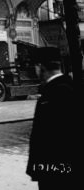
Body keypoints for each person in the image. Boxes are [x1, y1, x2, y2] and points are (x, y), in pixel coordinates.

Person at [26, 47, 81, 189]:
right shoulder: (68, 87)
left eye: (36, 66)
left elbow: (52, 139)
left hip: (57, 175)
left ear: (40, 67)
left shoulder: (56, 92)